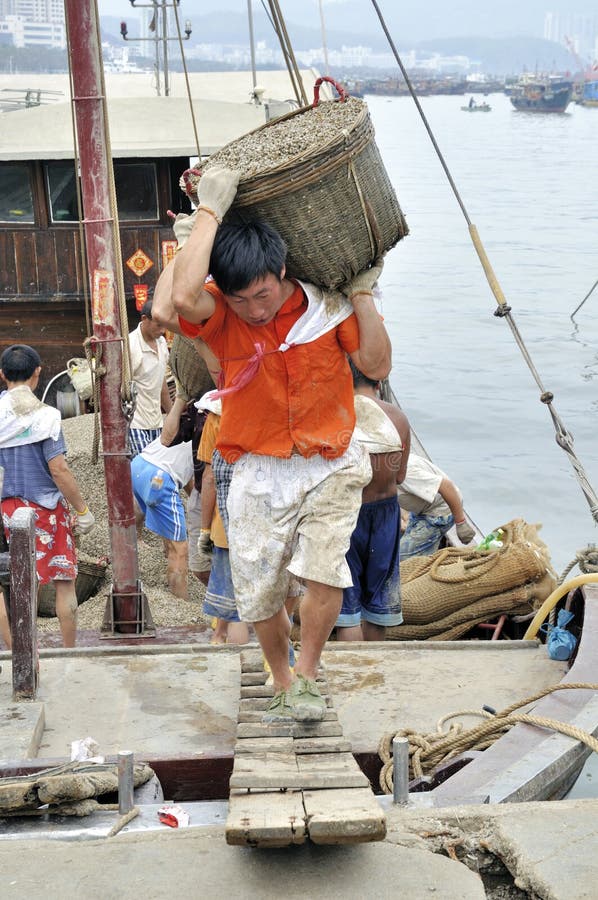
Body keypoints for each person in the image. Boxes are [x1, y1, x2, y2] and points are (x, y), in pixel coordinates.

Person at [152, 166, 391, 724]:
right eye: (241, 301)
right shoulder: (222, 318)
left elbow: (377, 365)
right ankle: (279, 675)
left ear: (281, 271)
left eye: (262, 294)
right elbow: (175, 301)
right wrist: (207, 213)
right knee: (258, 588)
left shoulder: (326, 309)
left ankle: (306, 671)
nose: (255, 310)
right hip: (254, 465)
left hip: (330, 460)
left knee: (326, 571)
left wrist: (362, 295)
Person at [0, 344, 96, 649]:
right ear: (38, 373)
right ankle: (68, 653)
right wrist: (82, 510)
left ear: (3, 375)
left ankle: (19, 655)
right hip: (46, 510)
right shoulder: (48, 417)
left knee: (15, 585)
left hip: (5, 510)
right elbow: (59, 469)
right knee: (63, 581)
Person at [336, 362, 410, 642]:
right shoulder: (398, 418)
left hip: (347, 511)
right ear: (379, 382)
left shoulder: (338, 414)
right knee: (378, 602)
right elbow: (400, 475)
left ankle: (351, 671)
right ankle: (373, 671)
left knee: (347, 603)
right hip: (385, 513)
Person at [196, 396, 249, 645]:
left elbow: (210, 480)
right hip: (270, 524)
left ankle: (230, 658)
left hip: (227, 527)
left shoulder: (218, 414)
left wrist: (205, 528)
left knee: (232, 606)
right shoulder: (274, 405)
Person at [130, 430, 195, 599]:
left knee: (170, 528)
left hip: (138, 465)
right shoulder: (211, 431)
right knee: (180, 549)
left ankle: (169, 559)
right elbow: (203, 479)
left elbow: (186, 474)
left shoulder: (187, 422)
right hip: (159, 478)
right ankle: (180, 603)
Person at [399, 453, 477, 558]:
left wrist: (461, 523)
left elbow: (446, 486)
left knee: (401, 560)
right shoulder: (379, 466)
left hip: (440, 511)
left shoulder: (405, 473)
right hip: (421, 507)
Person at [128, 299, 172, 456]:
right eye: (158, 325)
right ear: (144, 319)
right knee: (145, 469)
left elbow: (162, 386)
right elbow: (119, 388)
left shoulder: (161, 343)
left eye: (165, 325)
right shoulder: (130, 346)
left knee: (159, 471)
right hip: (135, 423)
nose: (162, 330)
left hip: (156, 422)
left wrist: (172, 414)